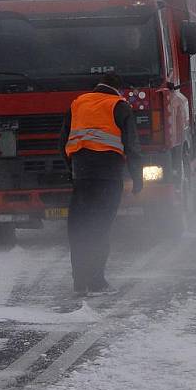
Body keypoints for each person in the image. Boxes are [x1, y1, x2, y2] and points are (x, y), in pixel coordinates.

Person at [59, 73, 142, 296]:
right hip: (108, 177)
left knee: (79, 228)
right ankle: (96, 281)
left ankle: (79, 283)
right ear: (118, 88)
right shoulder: (120, 106)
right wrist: (137, 178)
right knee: (100, 227)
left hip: (82, 177)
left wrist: (73, 170)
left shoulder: (78, 104)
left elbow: (63, 141)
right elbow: (132, 146)